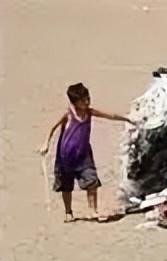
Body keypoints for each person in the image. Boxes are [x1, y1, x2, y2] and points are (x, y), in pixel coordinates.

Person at [38, 83, 134, 222]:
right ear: (74, 102)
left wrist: (126, 119)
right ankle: (68, 212)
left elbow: (110, 115)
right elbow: (52, 127)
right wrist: (45, 144)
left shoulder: (90, 112)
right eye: (83, 100)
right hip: (66, 157)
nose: (87, 102)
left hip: (83, 155)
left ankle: (92, 211)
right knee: (66, 186)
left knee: (92, 182)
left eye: (88, 98)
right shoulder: (68, 114)